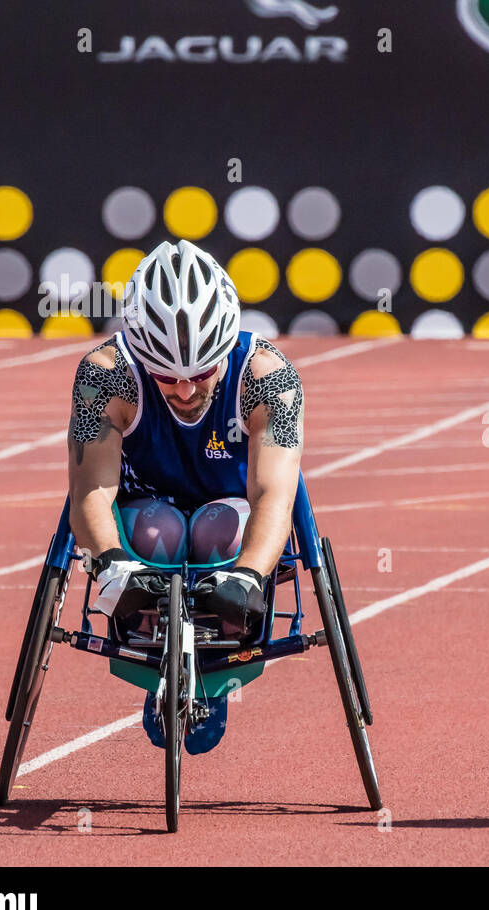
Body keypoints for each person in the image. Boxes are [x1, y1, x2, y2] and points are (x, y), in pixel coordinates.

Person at [66, 239, 304, 754]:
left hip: (231, 511)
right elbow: (89, 489)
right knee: (161, 529)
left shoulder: (269, 376)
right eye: (165, 377)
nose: (184, 391)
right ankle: (156, 668)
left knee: (218, 528)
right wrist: (109, 567)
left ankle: (216, 669)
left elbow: (273, 494)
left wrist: (249, 575)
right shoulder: (103, 375)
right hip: (144, 513)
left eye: (200, 373)